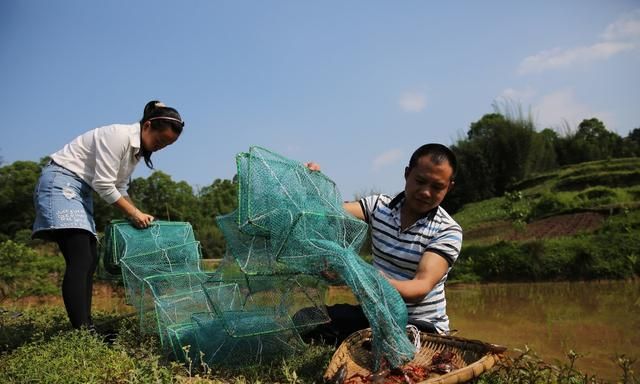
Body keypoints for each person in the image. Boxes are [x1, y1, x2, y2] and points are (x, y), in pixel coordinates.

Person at [32, 100, 184, 330]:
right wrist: (134, 213)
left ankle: (86, 327)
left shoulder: (135, 153)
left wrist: (139, 213)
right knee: (81, 258)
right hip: (61, 182)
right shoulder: (118, 136)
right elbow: (104, 185)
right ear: (147, 126)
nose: (159, 147)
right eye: (160, 140)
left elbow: (119, 187)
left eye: (166, 145)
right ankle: (83, 332)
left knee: (89, 259)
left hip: (81, 191)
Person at [304, 143, 461, 343]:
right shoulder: (379, 206)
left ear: (449, 187)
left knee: (376, 348)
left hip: (420, 324)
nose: (426, 192)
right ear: (407, 174)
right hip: (377, 313)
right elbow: (332, 211)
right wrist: (313, 186)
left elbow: (420, 287)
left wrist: (377, 281)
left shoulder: (447, 230)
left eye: (437, 187)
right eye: (420, 181)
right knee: (308, 319)